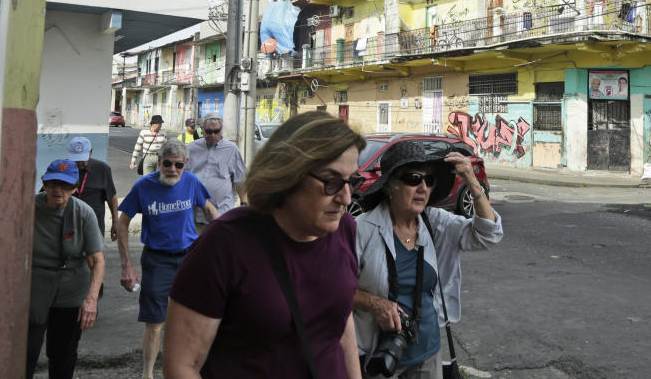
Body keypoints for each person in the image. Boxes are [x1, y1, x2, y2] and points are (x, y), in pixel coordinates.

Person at [163, 111, 366, 379]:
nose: (345, 197)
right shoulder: (225, 243)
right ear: (289, 174)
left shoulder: (344, 229)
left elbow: (339, 323)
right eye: (331, 182)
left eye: (352, 181)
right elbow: (181, 366)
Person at [354, 142, 503, 378]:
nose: (423, 187)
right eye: (413, 179)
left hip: (428, 352)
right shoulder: (362, 229)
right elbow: (334, 290)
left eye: (429, 180)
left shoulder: (435, 222)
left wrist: (472, 180)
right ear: (391, 186)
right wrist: (375, 303)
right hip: (378, 356)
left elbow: (488, 234)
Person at [117, 140, 219, 379]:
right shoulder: (143, 186)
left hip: (189, 259)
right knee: (155, 322)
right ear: (159, 161)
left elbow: (210, 210)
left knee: (195, 319)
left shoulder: (191, 182)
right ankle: (148, 374)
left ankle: (191, 369)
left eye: (178, 165)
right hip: (157, 260)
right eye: (167, 164)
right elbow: (123, 223)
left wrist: (222, 241)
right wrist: (127, 266)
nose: (172, 169)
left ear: (186, 164)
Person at [27, 159, 105, 379]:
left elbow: (97, 260)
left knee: (62, 355)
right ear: (44, 183)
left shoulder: (83, 213)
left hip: (71, 291)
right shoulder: (30, 207)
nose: (57, 190)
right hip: (36, 288)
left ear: (74, 188)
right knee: (26, 351)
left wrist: (91, 300)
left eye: (65, 185)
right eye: (52, 184)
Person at [186, 114, 247, 232]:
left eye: (216, 131)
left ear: (221, 130)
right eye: (208, 132)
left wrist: (243, 203)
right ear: (202, 130)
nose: (213, 135)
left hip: (222, 214)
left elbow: (240, 179)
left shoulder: (231, 149)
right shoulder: (191, 148)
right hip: (194, 215)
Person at [67, 136, 118, 241]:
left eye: (83, 158)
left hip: (94, 227)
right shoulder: (63, 168)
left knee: (95, 256)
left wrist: (115, 222)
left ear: (90, 152)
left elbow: (112, 197)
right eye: (76, 159)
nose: (80, 163)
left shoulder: (102, 169)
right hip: (68, 227)